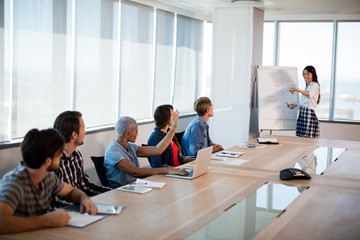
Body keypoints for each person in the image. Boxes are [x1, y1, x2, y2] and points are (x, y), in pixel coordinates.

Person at [0, 128, 98, 234]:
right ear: (48, 161)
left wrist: (83, 198)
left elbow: (70, 192)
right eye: (59, 155)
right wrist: (47, 220)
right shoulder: (14, 183)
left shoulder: (47, 177)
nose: (61, 156)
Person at [104, 110, 188, 188]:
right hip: (121, 191)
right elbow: (135, 172)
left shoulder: (130, 147)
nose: (137, 134)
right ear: (127, 134)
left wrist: (173, 129)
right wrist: (166, 170)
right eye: (136, 131)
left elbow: (157, 150)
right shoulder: (113, 152)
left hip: (136, 186)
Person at [52, 111, 111, 207]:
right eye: (83, 128)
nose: (85, 132)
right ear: (74, 135)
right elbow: (55, 201)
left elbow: (84, 185)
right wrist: (82, 208)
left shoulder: (77, 155)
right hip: (69, 212)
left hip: (82, 207)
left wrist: (111, 193)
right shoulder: (54, 162)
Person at [288, 65, 321, 138]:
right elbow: (305, 101)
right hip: (303, 113)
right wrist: (296, 104)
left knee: (307, 139)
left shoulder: (315, 85)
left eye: (308, 74)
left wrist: (297, 89)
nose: (305, 76)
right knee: (302, 138)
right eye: (304, 74)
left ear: (313, 74)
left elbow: (309, 94)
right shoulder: (308, 85)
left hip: (308, 113)